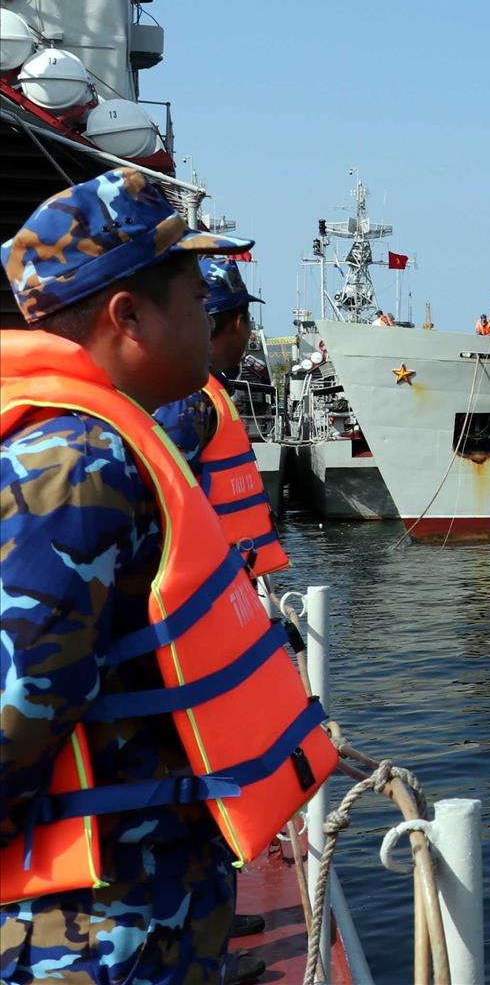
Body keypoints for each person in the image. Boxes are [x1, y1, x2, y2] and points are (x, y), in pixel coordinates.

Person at [1, 169, 335, 985]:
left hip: (145, 910)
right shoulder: (74, 467)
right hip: (97, 934)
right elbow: (20, 708)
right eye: (193, 297)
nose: (209, 317)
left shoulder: (104, 445)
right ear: (129, 316)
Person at [153, 257, 292, 582]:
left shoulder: (197, 391)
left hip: (223, 577)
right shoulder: (189, 398)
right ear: (238, 323)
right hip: (200, 584)